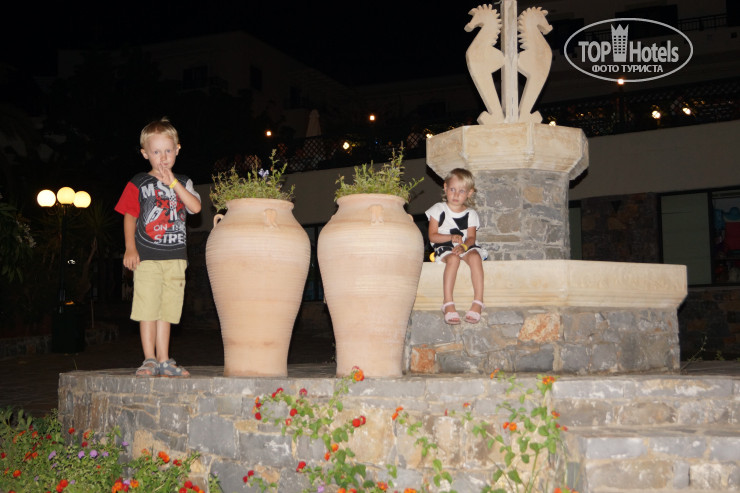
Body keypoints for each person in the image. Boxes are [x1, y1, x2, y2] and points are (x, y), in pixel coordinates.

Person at [114, 118, 202, 377]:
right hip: (147, 257)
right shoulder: (139, 182)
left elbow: (195, 208)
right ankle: (149, 359)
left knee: (168, 310)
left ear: (177, 150)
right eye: (156, 152)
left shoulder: (183, 181)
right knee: (148, 308)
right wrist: (130, 248)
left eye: (168, 150)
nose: (163, 157)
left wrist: (173, 183)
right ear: (145, 154)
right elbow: (129, 215)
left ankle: (164, 359)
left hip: (175, 258)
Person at [426, 168, 488, 325]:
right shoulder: (438, 209)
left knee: (475, 257)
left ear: (469, 193)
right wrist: (450, 237)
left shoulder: (471, 214)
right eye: (452, 189)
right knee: (453, 259)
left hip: (465, 246)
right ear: (445, 187)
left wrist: (464, 247)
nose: (456, 195)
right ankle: (448, 302)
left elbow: (471, 238)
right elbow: (432, 236)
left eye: (461, 191)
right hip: (444, 246)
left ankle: (478, 301)